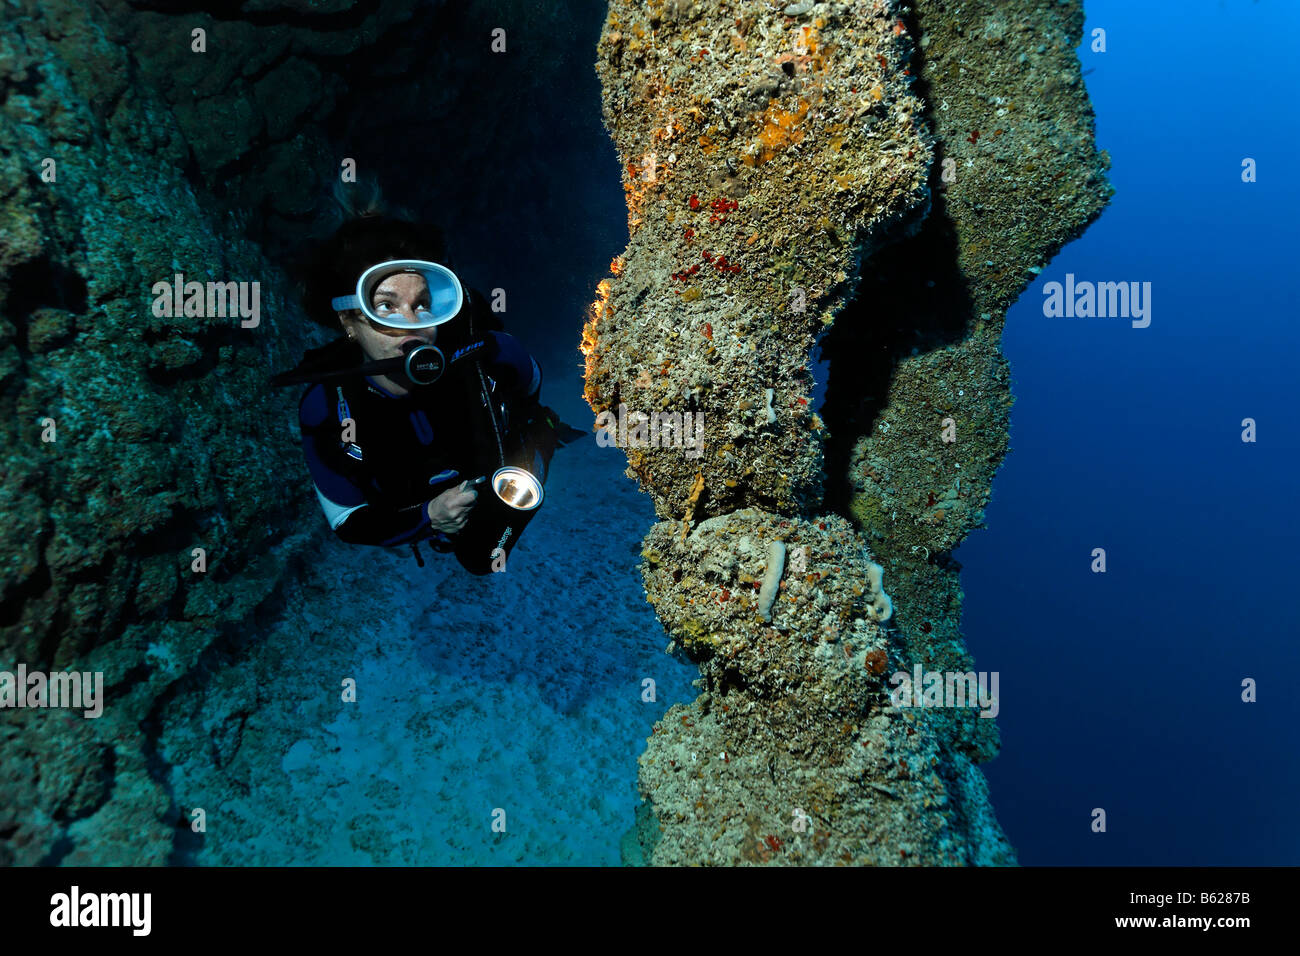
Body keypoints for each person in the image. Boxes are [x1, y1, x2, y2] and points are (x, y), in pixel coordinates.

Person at [273, 215, 581, 573]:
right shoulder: (324, 406)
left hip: (504, 474)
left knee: (480, 558)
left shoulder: (488, 352)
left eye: (421, 304)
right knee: (477, 559)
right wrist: (428, 517)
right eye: (386, 306)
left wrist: (533, 433)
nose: (413, 325)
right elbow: (347, 520)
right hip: (425, 509)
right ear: (347, 319)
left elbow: (529, 383)